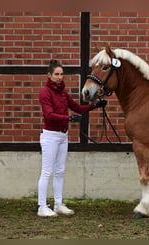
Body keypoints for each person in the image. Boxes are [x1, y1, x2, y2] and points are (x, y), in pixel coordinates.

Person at [37, 59, 106, 217]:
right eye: (56, 74)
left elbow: (77, 107)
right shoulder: (45, 93)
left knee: (60, 171)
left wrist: (95, 106)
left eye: (61, 74)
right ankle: (42, 206)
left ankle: (58, 204)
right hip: (50, 136)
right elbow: (49, 115)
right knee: (47, 172)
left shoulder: (62, 92)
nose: (59, 77)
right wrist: (69, 119)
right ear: (49, 75)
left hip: (63, 135)